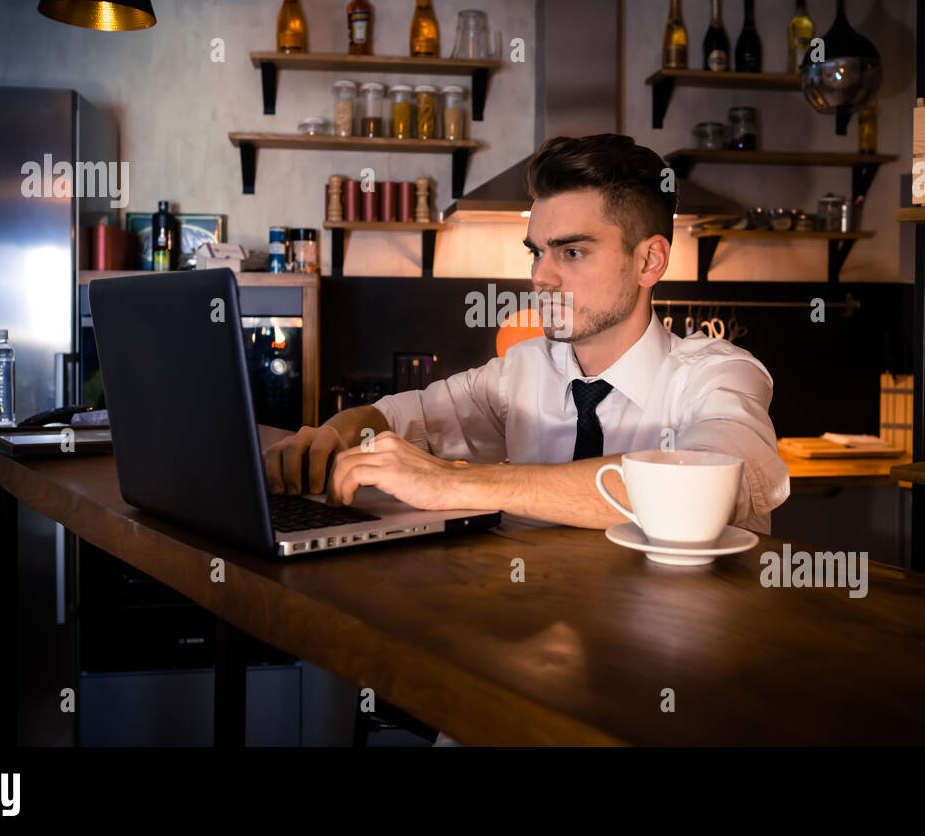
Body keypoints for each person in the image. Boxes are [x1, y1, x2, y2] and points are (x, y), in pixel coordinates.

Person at [261, 133, 791, 745]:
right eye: (536, 252)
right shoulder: (522, 371)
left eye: (571, 252)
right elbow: (407, 414)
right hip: (531, 668)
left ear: (649, 261)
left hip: (678, 689)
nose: (540, 277)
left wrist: (455, 482)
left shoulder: (717, 373)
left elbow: (705, 483)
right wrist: (330, 434)